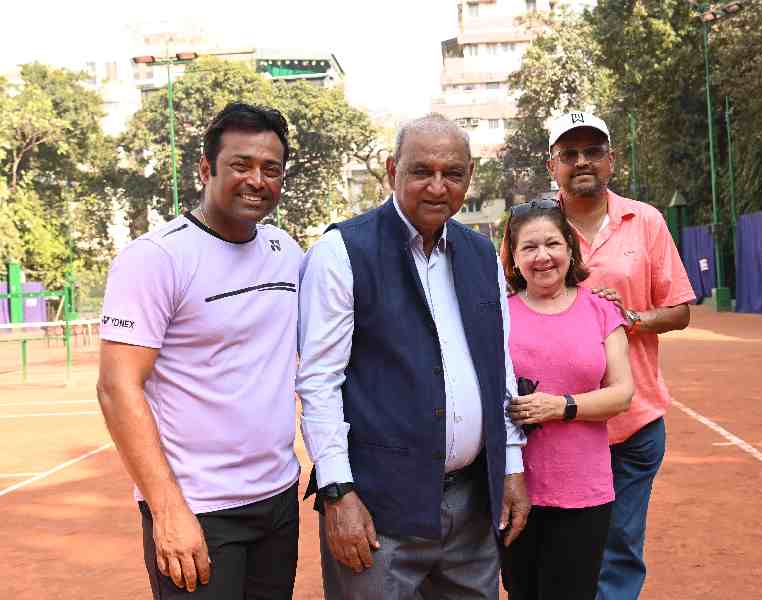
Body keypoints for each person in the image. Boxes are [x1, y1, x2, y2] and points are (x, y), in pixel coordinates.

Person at [296, 113, 530, 600]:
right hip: (379, 509)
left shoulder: (481, 253)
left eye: (454, 173)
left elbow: (497, 369)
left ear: (469, 176)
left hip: (472, 507)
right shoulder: (341, 253)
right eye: (422, 171)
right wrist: (338, 493)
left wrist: (510, 466)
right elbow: (320, 383)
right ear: (391, 171)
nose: (438, 187)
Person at [96, 103, 305, 599]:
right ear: (206, 169)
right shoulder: (156, 258)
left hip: (277, 500)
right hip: (198, 509)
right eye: (241, 165)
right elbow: (116, 387)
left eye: (270, 169)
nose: (257, 180)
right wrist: (167, 510)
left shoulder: (287, 252)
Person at [544, 111, 696, 600]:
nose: (582, 162)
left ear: (611, 161)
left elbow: (678, 311)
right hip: (558, 422)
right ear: (553, 167)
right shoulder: (535, 227)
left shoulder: (644, 220)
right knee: (559, 548)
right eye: (570, 154)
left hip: (634, 420)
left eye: (592, 152)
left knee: (620, 544)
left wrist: (628, 318)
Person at [498, 199, 634, 599]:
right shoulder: (497, 315)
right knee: (522, 592)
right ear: (514, 257)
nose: (543, 257)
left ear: (570, 249)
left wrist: (561, 407)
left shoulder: (602, 311)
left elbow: (622, 393)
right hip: (513, 487)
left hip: (583, 491)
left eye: (552, 244)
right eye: (529, 247)